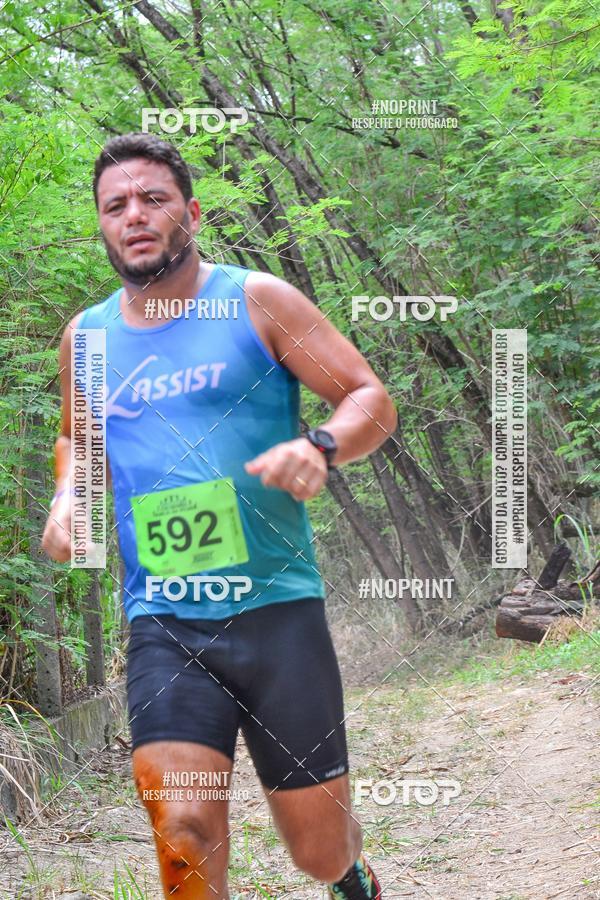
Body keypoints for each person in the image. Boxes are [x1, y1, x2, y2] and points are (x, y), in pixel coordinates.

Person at [42, 133, 395, 899]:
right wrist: (70, 497)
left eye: (153, 199)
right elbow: (78, 438)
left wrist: (322, 445)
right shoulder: (88, 338)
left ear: (191, 213)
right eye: (115, 206)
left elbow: (370, 396)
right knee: (183, 835)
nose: (134, 215)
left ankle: (348, 871)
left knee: (317, 850)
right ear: (102, 226)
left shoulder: (257, 300)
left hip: (278, 615)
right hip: (166, 620)